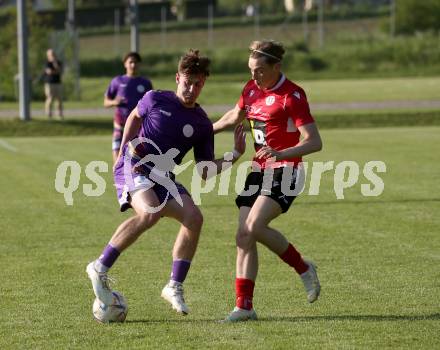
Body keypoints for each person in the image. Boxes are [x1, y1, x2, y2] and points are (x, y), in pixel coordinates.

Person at [86, 49, 246, 316]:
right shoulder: (155, 98)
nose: (191, 89)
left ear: (203, 84)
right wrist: (124, 148)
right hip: (134, 163)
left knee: (194, 218)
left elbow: (205, 170)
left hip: (162, 177)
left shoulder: (201, 123)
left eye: (197, 84)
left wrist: (235, 155)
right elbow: (134, 117)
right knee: (151, 211)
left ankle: (174, 285)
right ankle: (99, 266)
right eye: (187, 82)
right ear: (177, 78)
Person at [213, 40, 323, 322]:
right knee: (243, 235)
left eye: (260, 70)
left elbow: (314, 142)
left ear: (277, 66)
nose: (254, 76)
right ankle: (245, 306)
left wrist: (280, 152)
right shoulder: (250, 89)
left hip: (286, 169)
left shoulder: (292, 95)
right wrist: (203, 130)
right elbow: (233, 117)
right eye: (251, 70)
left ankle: (303, 268)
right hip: (258, 170)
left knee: (254, 226)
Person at [104, 52, 153, 163]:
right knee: (117, 150)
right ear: (125, 64)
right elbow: (106, 102)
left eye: (135, 62)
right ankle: (117, 172)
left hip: (138, 125)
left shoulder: (145, 83)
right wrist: (113, 102)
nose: (133, 65)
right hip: (120, 122)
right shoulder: (117, 81)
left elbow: (151, 104)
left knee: (136, 157)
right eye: (130, 62)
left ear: (139, 64)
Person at [43, 49, 63, 119]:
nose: (53, 56)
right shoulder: (47, 63)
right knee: (50, 98)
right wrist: (56, 71)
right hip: (49, 83)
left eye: (54, 54)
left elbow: (60, 71)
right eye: (51, 54)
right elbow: (49, 72)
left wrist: (55, 63)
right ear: (48, 56)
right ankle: (48, 113)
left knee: (59, 99)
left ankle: (59, 114)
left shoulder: (58, 62)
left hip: (57, 83)